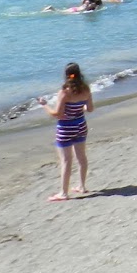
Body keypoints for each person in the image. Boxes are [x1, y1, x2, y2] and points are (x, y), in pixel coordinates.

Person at [39, 62, 93, 201]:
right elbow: (90, 108)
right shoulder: (86, 89)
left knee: (66, 160)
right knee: (81, 157)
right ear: (80, 73)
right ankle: (82, 186)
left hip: (66, 128)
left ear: (66, 75)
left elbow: (57, 113)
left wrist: (45, 105)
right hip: (81, 125)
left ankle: (63, 193)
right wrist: (80, 109)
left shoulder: (64, 92)